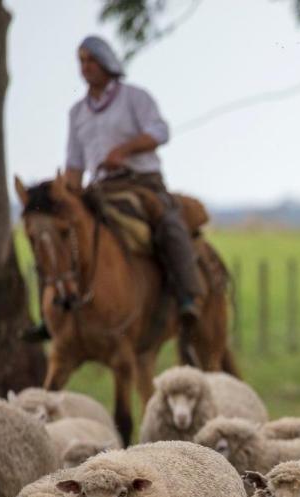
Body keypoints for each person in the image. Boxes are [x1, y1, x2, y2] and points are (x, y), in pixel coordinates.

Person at [24, 34, 201, 342]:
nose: (85, 67)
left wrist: (126, 150)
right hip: (100, 187)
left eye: (91, 60)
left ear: (106, 62)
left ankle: (188, 294)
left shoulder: (134, 97)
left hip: (141, 181)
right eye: (81, 61)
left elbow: (160, 131)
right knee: (54, 235)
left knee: (168, 222)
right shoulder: (77, 112)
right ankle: (51, 314)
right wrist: (66, 193)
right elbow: (74, 163)